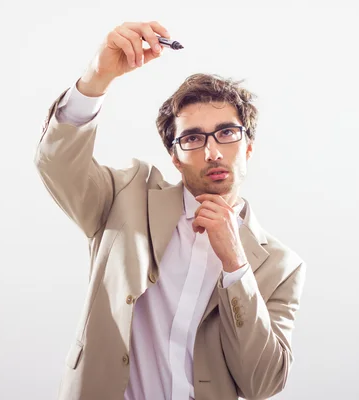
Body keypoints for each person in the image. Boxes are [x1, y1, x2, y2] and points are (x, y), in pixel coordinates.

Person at [34, 20, 306, 400]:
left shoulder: (280, 265)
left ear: (248, 146)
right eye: (193, 138)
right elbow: (58, 166)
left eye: (227, 133)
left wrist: (235, 265)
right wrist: (96, 78)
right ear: (175, 159)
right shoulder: (127, 197)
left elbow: (263, 384)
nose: (212, 152)